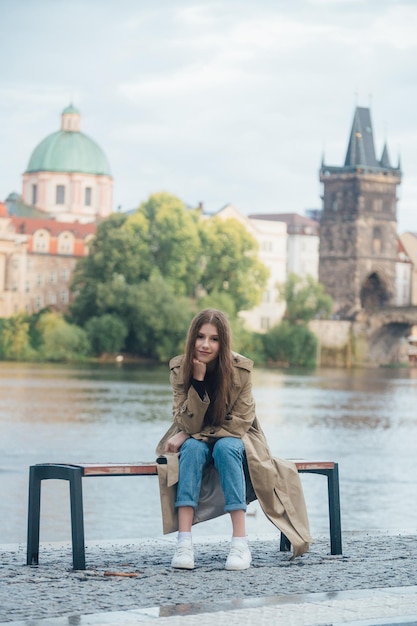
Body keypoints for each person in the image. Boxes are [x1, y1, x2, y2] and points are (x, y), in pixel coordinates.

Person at [156, 308, 312, 571]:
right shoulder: (180, 368)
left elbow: (239, 423)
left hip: (237, 437)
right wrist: (198, 380)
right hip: (194, 437)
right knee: (192, 449)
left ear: (223, 342)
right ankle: (184, 543)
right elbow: (187, 421)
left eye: (214, 339)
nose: (206, 345)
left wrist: (189, 433)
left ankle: (240, 543)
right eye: (201, 337)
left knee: (226, 448)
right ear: (192, 338)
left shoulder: (241, 371)